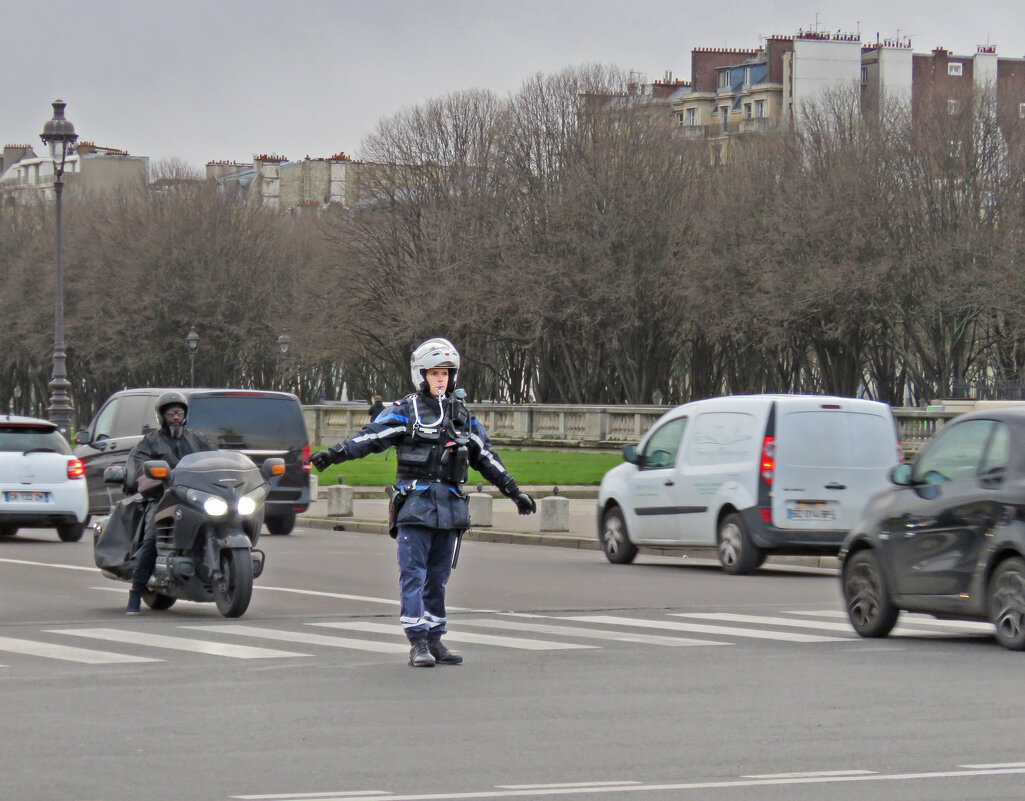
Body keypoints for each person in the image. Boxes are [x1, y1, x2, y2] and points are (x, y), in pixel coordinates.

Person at [309, 338, 536, 667]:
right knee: (413, 574)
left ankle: (435, 638)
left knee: (438, 576)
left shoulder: (462, 417)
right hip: (415, 504)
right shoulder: (406, 411)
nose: (441, 379)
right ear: (421, 375)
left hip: (451, 507)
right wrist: (335, 454)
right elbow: (370, 436)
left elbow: (485, 457)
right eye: (434, 373)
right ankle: (417, 642)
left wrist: (514, 491)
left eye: (446, 373)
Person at [125, 391, 215, 615]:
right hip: (163, 498)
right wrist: (154, 473)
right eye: (171, 413)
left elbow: (214, 459)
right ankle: (135, 594)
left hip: (195, 498)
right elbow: (141, 466)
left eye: (180, 412)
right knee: (152, 540)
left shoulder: (198, 439)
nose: (176, 417)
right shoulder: (150, 441)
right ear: (162, 416)